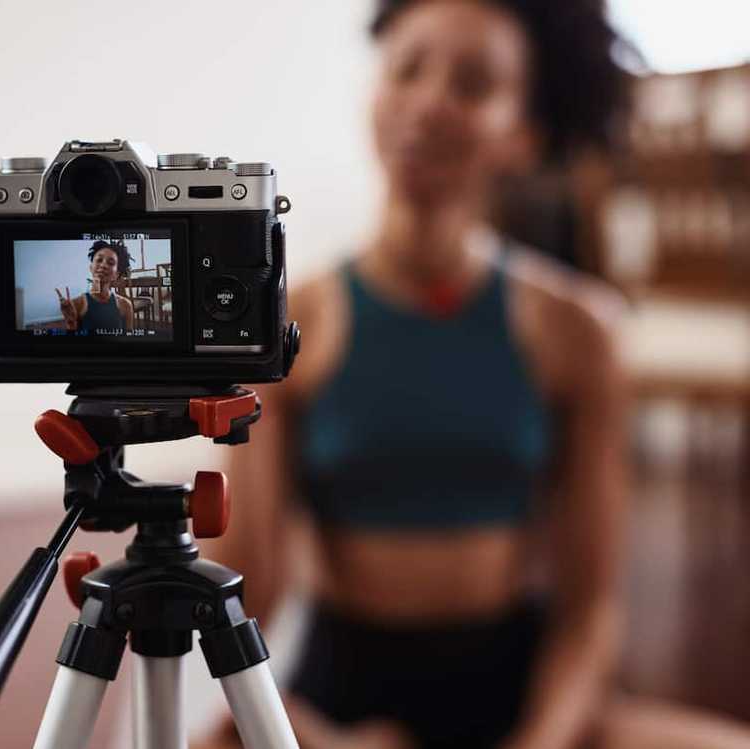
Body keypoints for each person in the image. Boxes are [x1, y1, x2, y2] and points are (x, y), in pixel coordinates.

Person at [193, 1, 750, 748]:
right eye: (408, 70)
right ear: (374, 90)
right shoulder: (288, 326)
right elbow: (241, 596)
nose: (428, 103)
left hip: (519, 692)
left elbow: (590, 611)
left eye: (473, 84)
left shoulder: (579, 333)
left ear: (524, 133)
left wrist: (541, 740)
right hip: (347, 704)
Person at [56, 240, 135, 334]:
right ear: (91, 267)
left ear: (116, 274)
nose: (103, 265)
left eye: (110, 263)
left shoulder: (125, 305)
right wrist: (71, 324)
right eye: (99, 260)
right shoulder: (76, 304)